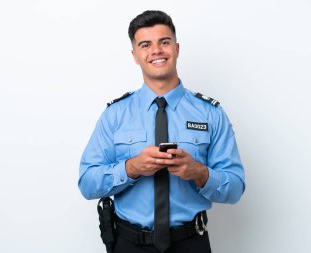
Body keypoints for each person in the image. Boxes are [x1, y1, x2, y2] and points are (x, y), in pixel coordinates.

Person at [79, 10, 245, 253]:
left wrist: (199, 173)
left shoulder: (210, 114)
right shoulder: (115, 115)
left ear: (176, 48)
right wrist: (131, 168)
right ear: (135, 55)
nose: (156, 50)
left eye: (164, 42)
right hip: (129, 244)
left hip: (191, 243)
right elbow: (87, 183)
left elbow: (236, 188)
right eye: (146, 44)